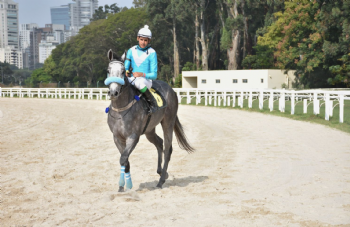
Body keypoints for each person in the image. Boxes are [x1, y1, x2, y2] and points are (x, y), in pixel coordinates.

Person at [124, 25, 158, 113]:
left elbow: (154, 75)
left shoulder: (152, 52)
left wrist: (141, 74)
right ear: (137, 38)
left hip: (146, 81)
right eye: (141, 39)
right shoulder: (131, 50)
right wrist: (126, 71)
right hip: (132, 78)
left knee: (139, 82)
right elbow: (126, 67)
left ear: (149, 41)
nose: (143, 42)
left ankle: (152, 103)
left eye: (145, 40)